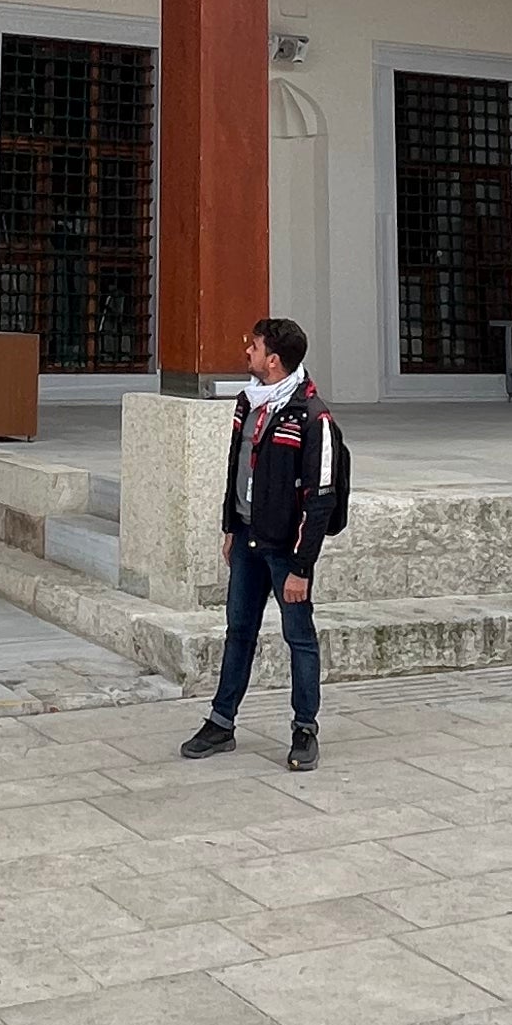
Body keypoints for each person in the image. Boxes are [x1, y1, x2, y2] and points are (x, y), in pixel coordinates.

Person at [179, 314, 335, 772]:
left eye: (255, 346)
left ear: (274, 359)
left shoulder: (312, 415)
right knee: (238, 633)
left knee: (298, 637)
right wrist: (230, 526)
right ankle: (221, 722)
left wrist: (301, 568)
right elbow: (237, 469)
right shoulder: (248, 403)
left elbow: (321, 497)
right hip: (247, 540)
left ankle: (304, 729)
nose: (246, 351)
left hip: (286, 549)